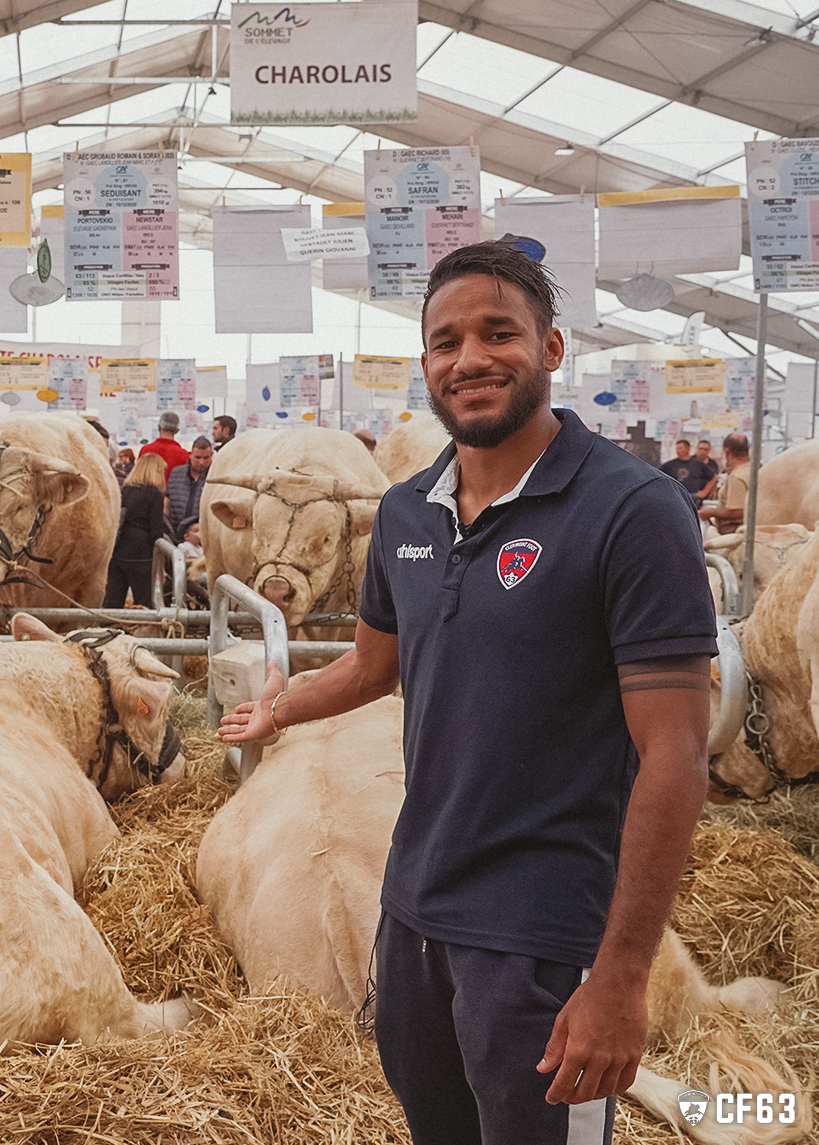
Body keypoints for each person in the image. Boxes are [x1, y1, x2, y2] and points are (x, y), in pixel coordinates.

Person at [219, 240, 714, 1145]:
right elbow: (376, 665)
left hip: (543, 931)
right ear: (426, 366)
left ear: (552, 349)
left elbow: (675, 754)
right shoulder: (408, 509)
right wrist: (281, 706)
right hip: (412, 907)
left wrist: (620, 978)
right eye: (446, 341)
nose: (471, 358)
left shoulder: (634, 511)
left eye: (499, 333)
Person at [105, 453, 169, 609]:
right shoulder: (154, 495)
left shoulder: (124, 491)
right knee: (144, 604)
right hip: (141, 554)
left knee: (112, 602)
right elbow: (156, 532)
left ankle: (108, 630)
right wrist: (161, 564)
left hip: (118, 550)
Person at [699, 433, 750, 531]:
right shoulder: (754, 470)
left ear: (727, 452)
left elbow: (738, 512)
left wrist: (710, 513)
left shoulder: (736, 477)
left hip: (734, 533)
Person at [165, 435, 212, 536]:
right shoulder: (176, 473)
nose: (201, 462)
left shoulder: (215, 478)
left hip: (202, 536)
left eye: (206, 458)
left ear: (211, 455)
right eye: (197, 457)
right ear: (190, 455)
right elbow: (167, 502)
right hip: (175, 533)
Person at [658, 438, 709, 504]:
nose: (678, 451)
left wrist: (704, 492)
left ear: (688, 449)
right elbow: (658, 474)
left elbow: (713, 477)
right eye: (677, 449)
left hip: (692, 497)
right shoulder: (670, 464)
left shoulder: (697, 464)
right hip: (675, 496)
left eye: (680, 448)